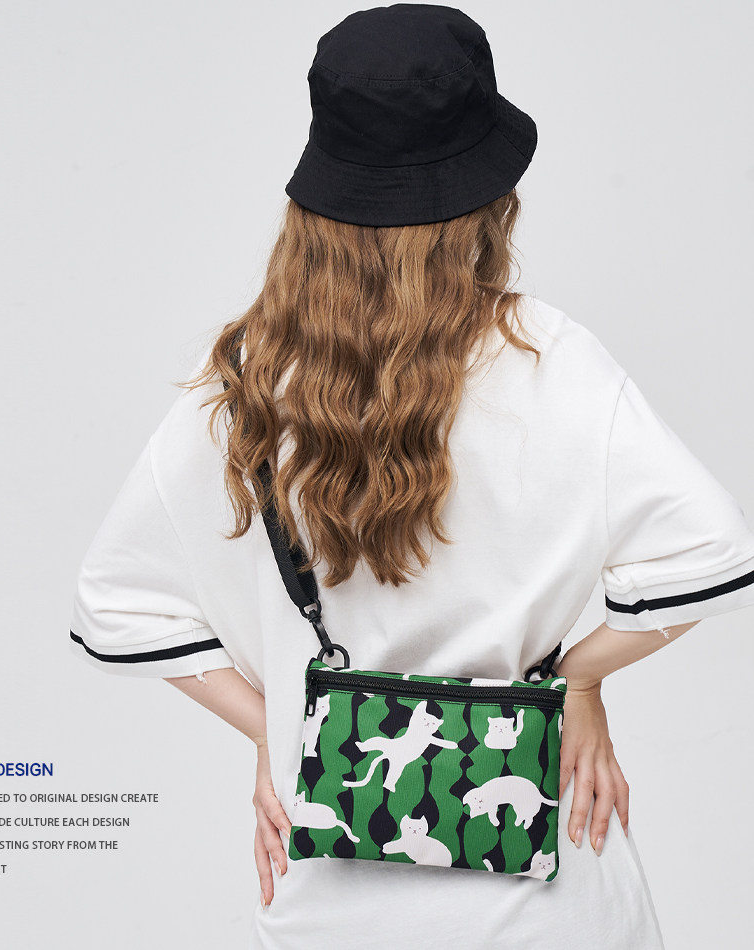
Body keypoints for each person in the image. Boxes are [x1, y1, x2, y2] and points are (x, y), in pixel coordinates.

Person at [68, 5, 754, 948]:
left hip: (326, 915)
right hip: (544, 906)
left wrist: (285, 732)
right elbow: (711, 555)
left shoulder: (245, 382)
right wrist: (575, 684)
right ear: (490, 197)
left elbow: (115, 602)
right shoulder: (547, 357)